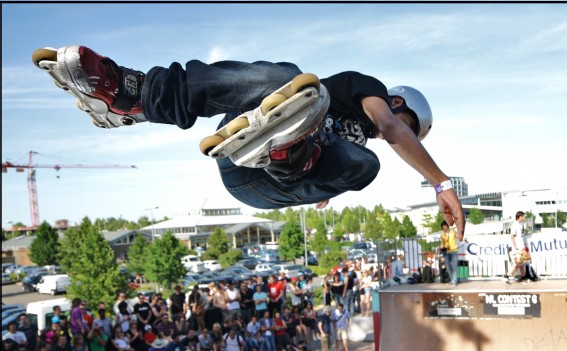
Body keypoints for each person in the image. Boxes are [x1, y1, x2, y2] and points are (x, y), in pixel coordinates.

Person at [32, 45, 465, 236]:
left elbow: (346, 167)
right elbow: (389, 128)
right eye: (405, 120)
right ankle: (132, 96)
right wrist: (441, 183)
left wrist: (321, 191)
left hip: (266, 185)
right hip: (238, 156)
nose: (398, 130)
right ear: (395, 100)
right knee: (287, 80)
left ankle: (289, 153)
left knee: (362, 166)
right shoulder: (364, 88)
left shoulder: (358, 151)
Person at [507, 211, 529, 283]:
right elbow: (512, 236)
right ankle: (508, 275)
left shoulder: (520, 224)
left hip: (521, 245)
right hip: (518, 247)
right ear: (519, 217)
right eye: (523, 216)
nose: (524, 218)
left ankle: (522, 277)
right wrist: (515, 246)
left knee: (522, 263)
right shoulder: (514, 225)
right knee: (520, 262)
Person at [439, 220, 459, 286]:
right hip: (446, 252)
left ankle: (454, 281)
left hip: (454, 251)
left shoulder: (452, 231)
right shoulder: (442, 234)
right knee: (448, 267)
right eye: (443, 228)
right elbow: (442, 243)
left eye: (445, 227)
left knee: (454, 267)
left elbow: (458, 235)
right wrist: (441, 248)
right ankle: (452, 279)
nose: (444, 229)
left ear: (447, 226)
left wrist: (464, 238)